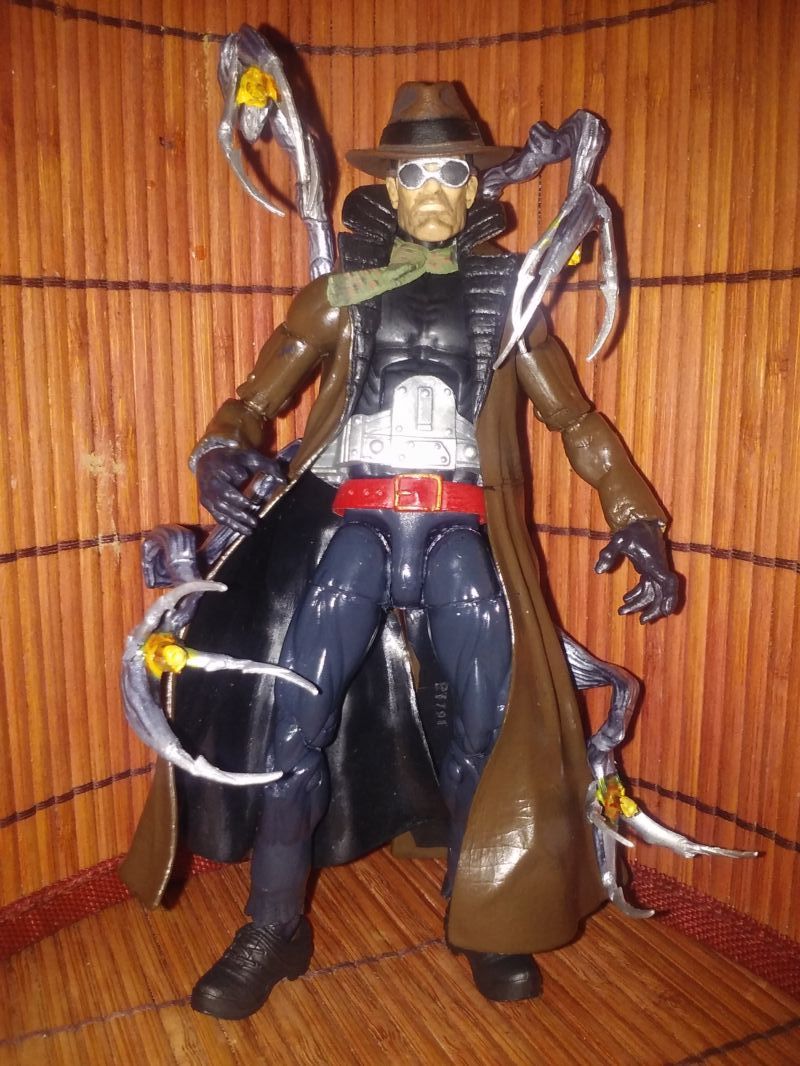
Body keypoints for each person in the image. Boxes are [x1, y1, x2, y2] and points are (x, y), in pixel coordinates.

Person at [121, 82, 677, 1020]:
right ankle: (273, 925)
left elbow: (576, 419)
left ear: (473, 187)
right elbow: (253, 400)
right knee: (292, 730)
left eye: (450, 171)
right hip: (357, 530)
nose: (432, 190)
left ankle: (484, 914)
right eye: (414, 172)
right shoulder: (341, 295)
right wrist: (217, 452)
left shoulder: (510, 298)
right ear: (389, 186)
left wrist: (639, 518)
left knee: (486, 736)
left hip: (461, 531)